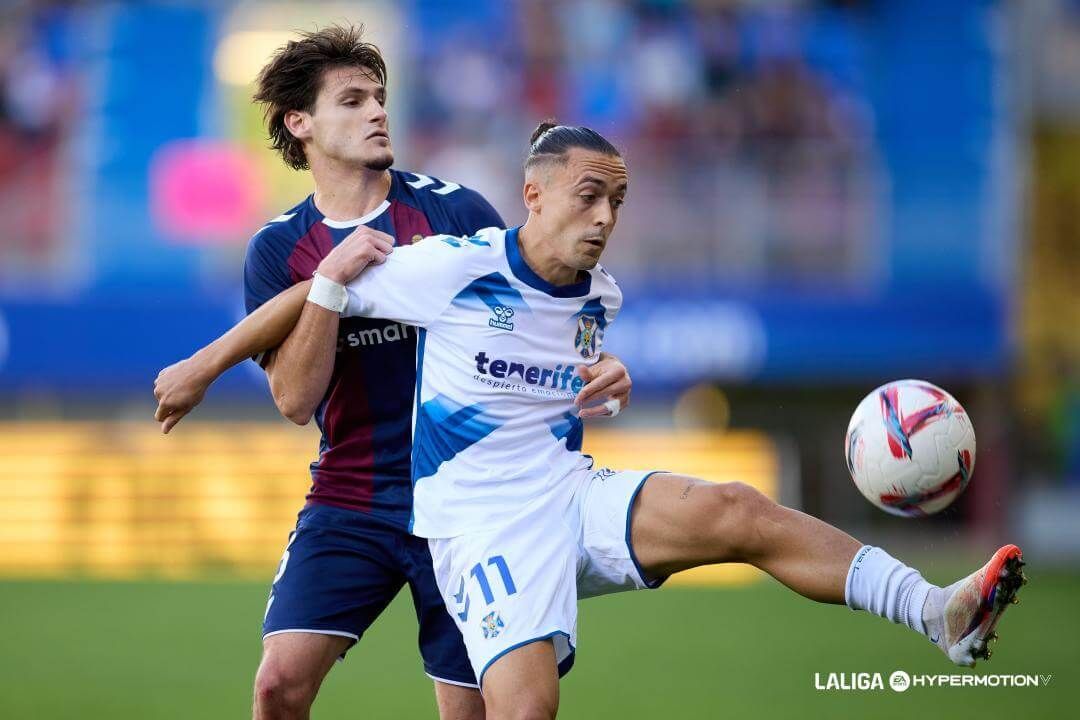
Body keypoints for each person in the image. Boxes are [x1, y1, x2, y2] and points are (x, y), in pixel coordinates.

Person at [162, 122, 1026, 718]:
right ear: (532, 196)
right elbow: (304, 299)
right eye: (588, 197)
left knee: (739, 509)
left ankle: (937, 613)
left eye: (617, 200)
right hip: (479, 524)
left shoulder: (597, 294)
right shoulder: (450, 266)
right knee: (528, 708)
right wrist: (206, 365)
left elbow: (557, 362)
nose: (606, 218)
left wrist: (603, 368)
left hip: (566, 494)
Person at [153, 26, 633, 720]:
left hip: (471, 500)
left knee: (469, 712)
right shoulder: (278, 248)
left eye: (379, 97)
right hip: (353, 497)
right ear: (301, 123)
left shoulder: (453, 212)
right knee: (276, 686)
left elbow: (535, 319)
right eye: (352, 100)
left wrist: (602, 364)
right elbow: (294, 400)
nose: (378, 111)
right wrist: (329, 286)